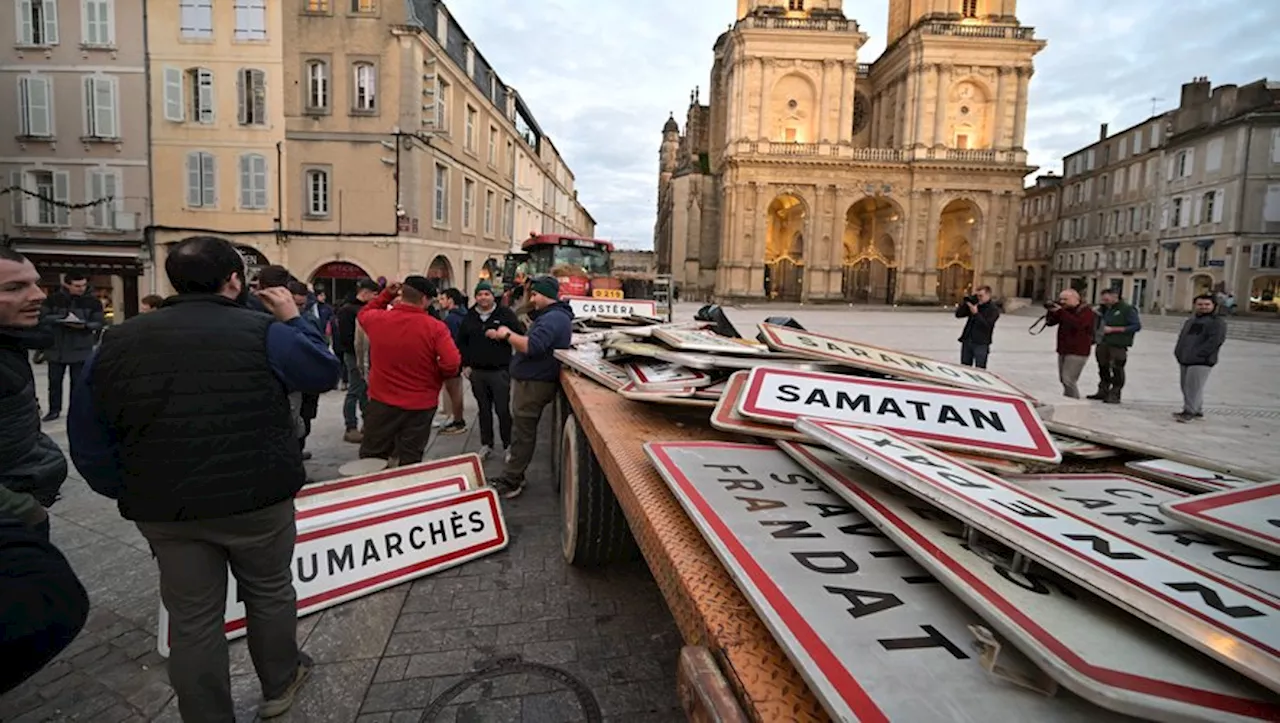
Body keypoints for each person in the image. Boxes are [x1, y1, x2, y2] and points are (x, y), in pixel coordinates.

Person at [67, 235, 340, 722]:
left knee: (192, 621)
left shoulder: (118, 340)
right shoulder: (264, 332)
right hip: (256, 499)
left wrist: (125, 486)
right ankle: (279, 685)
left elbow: (87, 431)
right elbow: (321, 372)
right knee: (270, 592)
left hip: (165, 507)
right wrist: (294, 319)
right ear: (235, 280)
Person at [484, 276, 573, 499]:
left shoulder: (552, 319)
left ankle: (512, 480)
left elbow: (532, 346)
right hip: (531, 379)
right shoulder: (553, 316)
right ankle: (513, 475)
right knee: (521, 432)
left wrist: (506, 334)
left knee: (522, 433)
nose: (532, 299)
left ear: (545, 295)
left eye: (535, 295)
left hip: (533, 383)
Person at [357, 276, 461, 466]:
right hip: (420, 404)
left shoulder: (378, 319)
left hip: (382, 401)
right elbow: (452, 363)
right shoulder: (436, 328)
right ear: (424, 299)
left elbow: (365, 312)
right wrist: (436, 376)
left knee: (372, 456)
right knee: (411, 457)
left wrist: (386, 294)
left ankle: (372, 491)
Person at [456, 281, 524, 460]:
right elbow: (462, 343)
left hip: (500, 371)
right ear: (475, 297)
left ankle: (508, 444)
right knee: (483, 410)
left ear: (493, 296)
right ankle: (487, 444)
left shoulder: (505, 314)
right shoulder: (469, 316)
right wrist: (465, 364)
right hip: (477, 372)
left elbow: (520, 335)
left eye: (486, 294)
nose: (483, 298)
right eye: (480, 294)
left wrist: (503, 334)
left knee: (502, 410)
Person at [38, 271, 105, 421]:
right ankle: (54, 410)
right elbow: (42, 317)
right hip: (57, 347)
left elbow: (99, 322)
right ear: (67, 285)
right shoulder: (53, 299)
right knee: (54, 382)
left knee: (79, 383)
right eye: (77, 286)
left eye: (83, 285)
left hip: (80, 347)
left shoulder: (93, 302)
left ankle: (77, 412)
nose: (81, 288)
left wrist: (85, 325)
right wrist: (61, 319)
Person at [334, 278, 380, 443]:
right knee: (355, 389)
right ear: (365, 293)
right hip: (354, 355)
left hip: (367, 354)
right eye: (374, 295)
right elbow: (345, 338)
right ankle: (351, 426)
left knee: (365, 390)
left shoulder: (365, 308)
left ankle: (367, 424)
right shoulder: (348, 310)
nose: (376, 298)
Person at [1173, 294, 1228, 423]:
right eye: (1200, 304)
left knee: (1193, 387)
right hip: (1185, 358)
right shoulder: (1191, 321)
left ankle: (1189, 411)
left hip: (1201, 360)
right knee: (1186, 386)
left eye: (1207, 304)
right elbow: (1183, 338)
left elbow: (1215, 341)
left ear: (1213, 306)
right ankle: (1197, 410)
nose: (1203, 307)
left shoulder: (1217, 323)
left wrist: (1201, 354)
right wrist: (1178, 352)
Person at [1088, 288, 1142, 404]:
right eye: (1102, 299)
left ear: (1115, 297)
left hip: (1118, 344)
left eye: (1106, 299)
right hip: (1103, 342)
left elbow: (1136, 326)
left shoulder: (1127, 309)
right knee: (1103, 367)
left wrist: (1115, 329)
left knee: (1117, 368)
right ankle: (1103, 390)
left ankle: (1115, 393)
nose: (1104, 301)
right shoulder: (1102, 309)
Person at [289, 281, 324, 457]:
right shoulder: (275, 319)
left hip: (308, 380)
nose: (299, 308)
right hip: (290, 381)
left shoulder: (311, 320)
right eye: (295, 304)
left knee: (306, 421)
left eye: (302, 304)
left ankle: (298, 452)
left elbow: (321, 345)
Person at [1043, 288, 1096, 399]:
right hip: (1064, 349)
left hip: (1078, 351)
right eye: (1061, 299)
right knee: (1063, 379)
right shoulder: (1065, 310)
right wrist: (1051, 311)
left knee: (1069, 380)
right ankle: (1068, 399)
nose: (1062, 302)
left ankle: (1074, 402)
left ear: (1075, 299)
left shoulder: (1086, 311)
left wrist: (1061, 312)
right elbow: (1050, 323)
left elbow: (1078, 324)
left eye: (1065, 299)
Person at [435, 288, 469, 436]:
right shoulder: (464, 314)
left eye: (443, 299)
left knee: (454, 390)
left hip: (453, 358)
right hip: (462, 357)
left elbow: (449, 341)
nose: (440, 302)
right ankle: (457, 418)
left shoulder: (451, 319)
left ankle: (458, 421)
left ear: (451, 300)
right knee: (456, 390)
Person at [953, 285, 1000, 369]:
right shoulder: (975, 305)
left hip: (981, 344)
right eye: (977, 295)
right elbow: (958, 315)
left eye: (981, 296)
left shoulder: (993, 310)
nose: (979, 298)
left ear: (988, 295)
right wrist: (966, 303)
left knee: (980, 369)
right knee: (964, 368)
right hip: (967, 341)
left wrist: (976, 314)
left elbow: (987, 325)